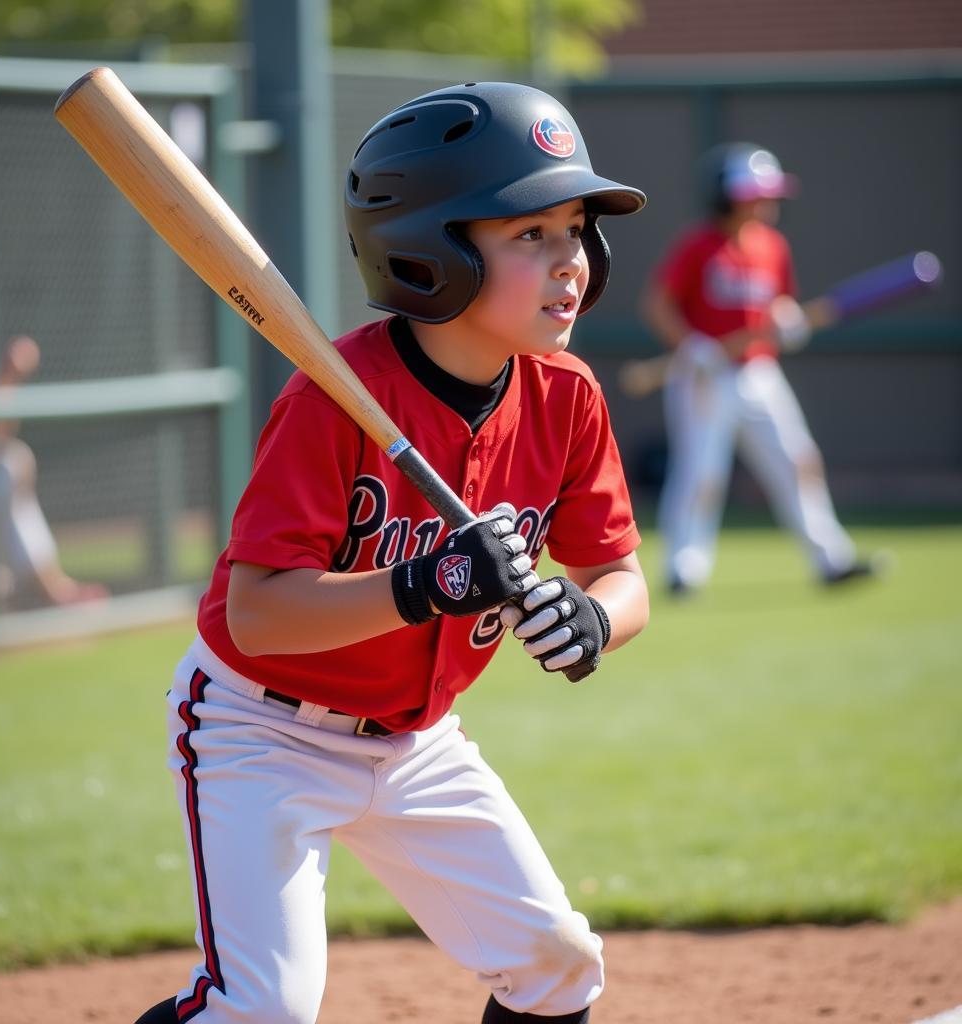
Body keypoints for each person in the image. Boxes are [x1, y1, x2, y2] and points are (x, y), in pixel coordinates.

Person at [133, 82, 649, 1024]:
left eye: (576, 230)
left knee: (559, 968)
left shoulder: (567, 396)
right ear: (430, 252)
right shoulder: (334, 397)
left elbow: (622, 576)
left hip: (419, 742)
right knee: (263, 1010)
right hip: (263, 732)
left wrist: (593, 617)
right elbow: (259, 613)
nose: (570, 262)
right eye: (529, 234)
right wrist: (427, 583)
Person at [640, 143, 882, 597]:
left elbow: (780, 303)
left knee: (799, 460)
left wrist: (787, 320)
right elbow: (657, 305)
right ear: (726, 196)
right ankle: (684, 569)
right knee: (702, 474)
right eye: (755, 193)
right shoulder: (699, 245)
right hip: (705, 376)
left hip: (759, 372)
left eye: (770, 194)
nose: (766, 203)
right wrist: (692, 345)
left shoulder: (773, 245)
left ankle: (832, 559)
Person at [0, 229, 108, 609]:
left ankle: (12, 586)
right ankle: (1, 589)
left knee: (9, 461)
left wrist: (8, 379)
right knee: (0, 472)